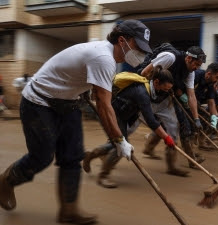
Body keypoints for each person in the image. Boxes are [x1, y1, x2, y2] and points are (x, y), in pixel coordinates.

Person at [0, 19, 151, 224]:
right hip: (38, 101)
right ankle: (6, 181)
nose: (140, 54)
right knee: (42, 157)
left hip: (67, 102)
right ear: (122, 40)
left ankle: (69, 211)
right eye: (138, 47)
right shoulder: (103, 58)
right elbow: (104, 107)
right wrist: (118, 140)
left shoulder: (108, 59)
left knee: (72, 157)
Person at [83, 66, 176, 188]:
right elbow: (151, 121)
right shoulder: (142, 92)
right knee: (121, 146)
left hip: (121, 115)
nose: (165, 92)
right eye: (164, 89)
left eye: (168, 90)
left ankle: (91, 154)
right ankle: (103, 176)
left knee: (115, 144)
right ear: (157, 82)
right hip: (113, 114)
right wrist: (166, 137)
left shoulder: (148, 89)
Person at [141, 45, 206, 177]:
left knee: (172, 128)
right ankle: (108, 151)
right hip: (145, 93)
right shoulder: (170, 58)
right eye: (196, 64)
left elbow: (191, 96)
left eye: (199, 65)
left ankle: (172, 166)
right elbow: (144, 73)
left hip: (165, 97)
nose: (197, 68)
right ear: (188, 58)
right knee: (129, 126)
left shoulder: (190, 73)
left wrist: (196, 119)